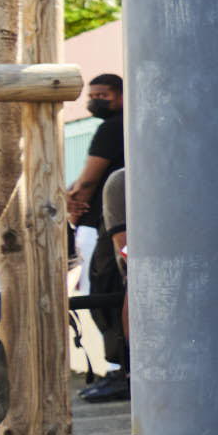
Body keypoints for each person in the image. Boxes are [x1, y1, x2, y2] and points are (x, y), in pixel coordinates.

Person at [72, 72, 126, 399]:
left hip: (106, 225)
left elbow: (88, 181)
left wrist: (72, 202)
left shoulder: (111, 128)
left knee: (105, 292)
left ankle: (121, 370)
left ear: (120, 95)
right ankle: (120, 369)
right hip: (112, 221)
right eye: (91, 94)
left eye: (102, 94)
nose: (94, 100)